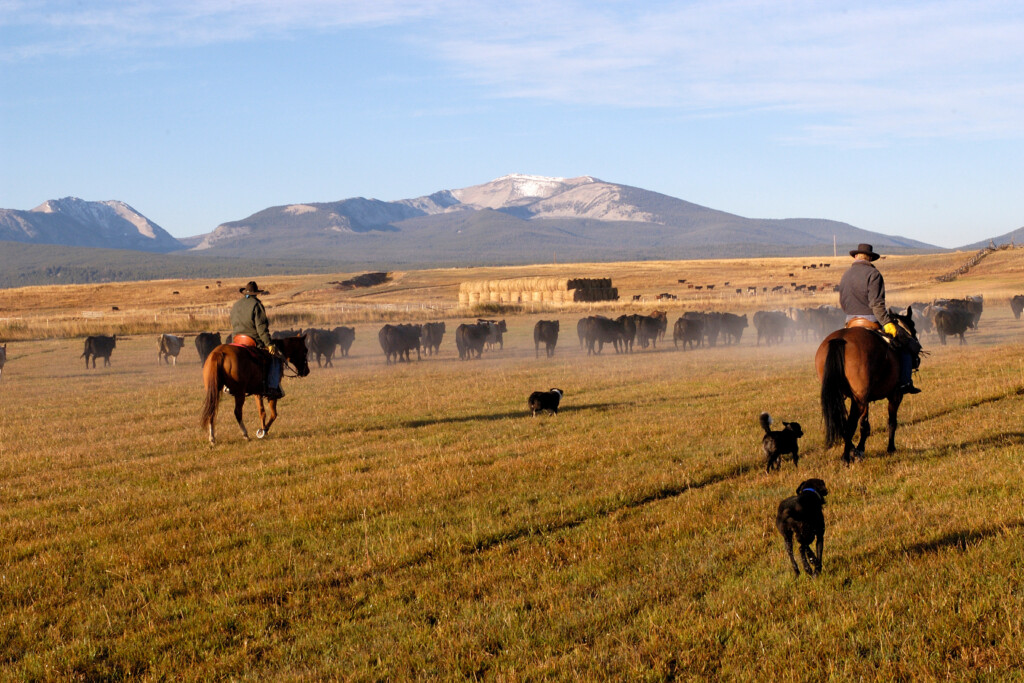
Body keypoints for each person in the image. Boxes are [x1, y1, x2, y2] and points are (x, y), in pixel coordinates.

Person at [838, 244, 920, 394]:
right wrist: (887, 323)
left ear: (856, 256)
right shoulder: (873, 274)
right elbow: (877, 304)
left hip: (849, 321)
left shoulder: (845, 275)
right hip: (871, 320)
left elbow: (842, 303)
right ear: (870, 258)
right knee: (905, 344)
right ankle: (905, 382)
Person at [229, 281, 284, 399]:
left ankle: (227, 384)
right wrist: (269, 344)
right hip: (253, 341)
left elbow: (233, 323)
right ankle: (272, 388)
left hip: (237, 340)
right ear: (256, 293)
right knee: (276, 359)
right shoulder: (257, 304)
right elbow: (261, 328)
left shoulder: (236, 305)